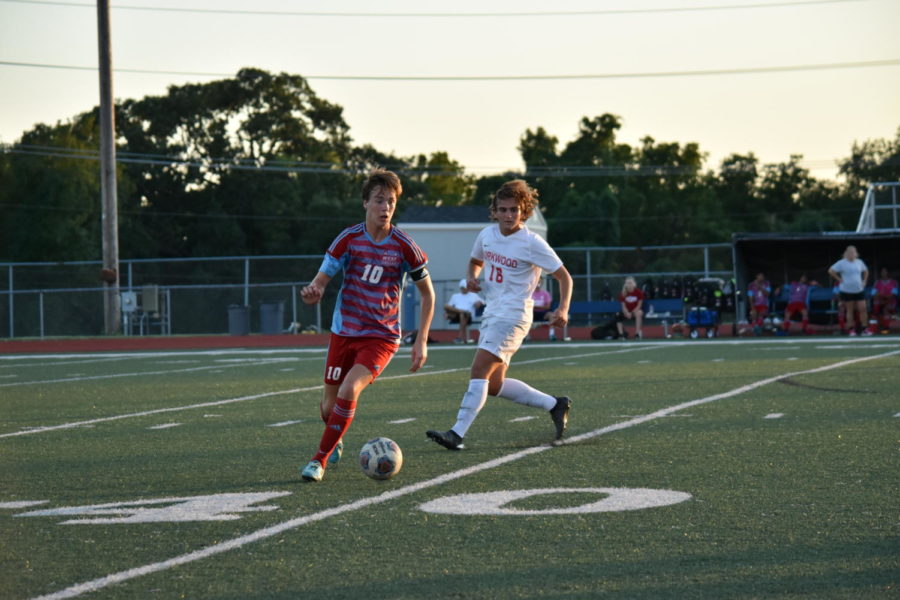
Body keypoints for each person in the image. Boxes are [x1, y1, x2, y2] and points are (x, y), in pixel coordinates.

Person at [298, 169, 435, 482]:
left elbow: (429, 295)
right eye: (379, 200)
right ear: (365, 203)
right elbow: (319, 282)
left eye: (391, 202)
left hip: (381, 337)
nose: (385, 207)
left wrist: (421, 339)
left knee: (350, 388)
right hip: (344, 332)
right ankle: (336, 434)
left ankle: (318, 460)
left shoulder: (404, 246)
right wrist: (313, 292)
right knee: (327, 406)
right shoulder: (348, 239)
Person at [425, 179, 573, 451]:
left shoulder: (532, 242)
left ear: (524, 211)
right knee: (493, 385)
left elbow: (564, 277)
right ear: (493, 211)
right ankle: (555, 404)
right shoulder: (486, 235)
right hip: (493, 312)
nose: (508, 215)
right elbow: (475, 261)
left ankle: (457, 433)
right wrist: (471, 277)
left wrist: (562, 308)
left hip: (514, 315)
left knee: (478, 369)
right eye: (502, 209)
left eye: (514, 210)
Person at [828, 245, 870, 336]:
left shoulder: (859, 262)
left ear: (856, 254)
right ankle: (851, 329)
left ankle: (864, 328)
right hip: (847, 290)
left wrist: (864, 281)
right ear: (846, 253)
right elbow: (831, 270)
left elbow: (866, 271)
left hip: (859, 289)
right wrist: (838, 279)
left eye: (853, 252)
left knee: (863, 308)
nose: (851, 254)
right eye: (849, 252)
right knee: (849, 310)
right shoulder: (842, 263)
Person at [444, 278, 484, 344]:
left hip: (469, 316)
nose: (463, 289)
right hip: (458, 314)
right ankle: (462, 311)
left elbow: (482, 303)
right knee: (447, 306)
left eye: (464, 287)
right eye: (462, 288)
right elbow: (448, 306)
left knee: (462, 315)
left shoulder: (473, 295)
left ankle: (460, 338)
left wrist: (479, 303)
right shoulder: (455, 296)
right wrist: (447, 312)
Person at [871, 267, 897, 334]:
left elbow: (893, 294)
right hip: (880, 301)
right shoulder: (877, 282)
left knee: (886, 309)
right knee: (876, 303)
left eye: (885, 271)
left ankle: (886, 329)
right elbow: (873, 294)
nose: (884, 273)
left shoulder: (893, 282)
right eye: (882, 271)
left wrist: (884, 299)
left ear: (888, 273)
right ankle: (874, 329)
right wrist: (880, 298)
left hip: (890, 302)